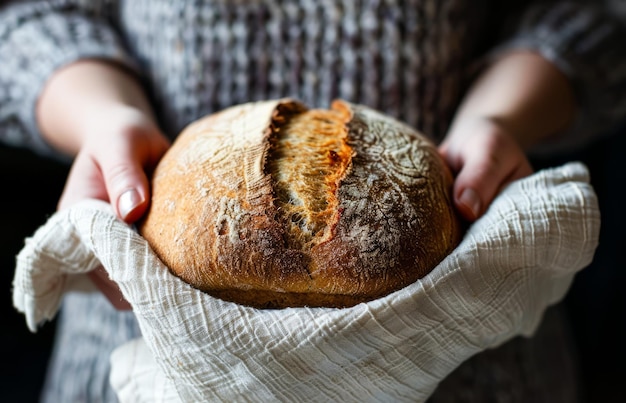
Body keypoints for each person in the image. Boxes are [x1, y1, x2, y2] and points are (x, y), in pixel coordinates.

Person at [0, 1, 624, 401]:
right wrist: (103, 117)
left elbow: (589, 15)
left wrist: (500, 115)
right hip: (134, 353)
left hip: (474, 371)